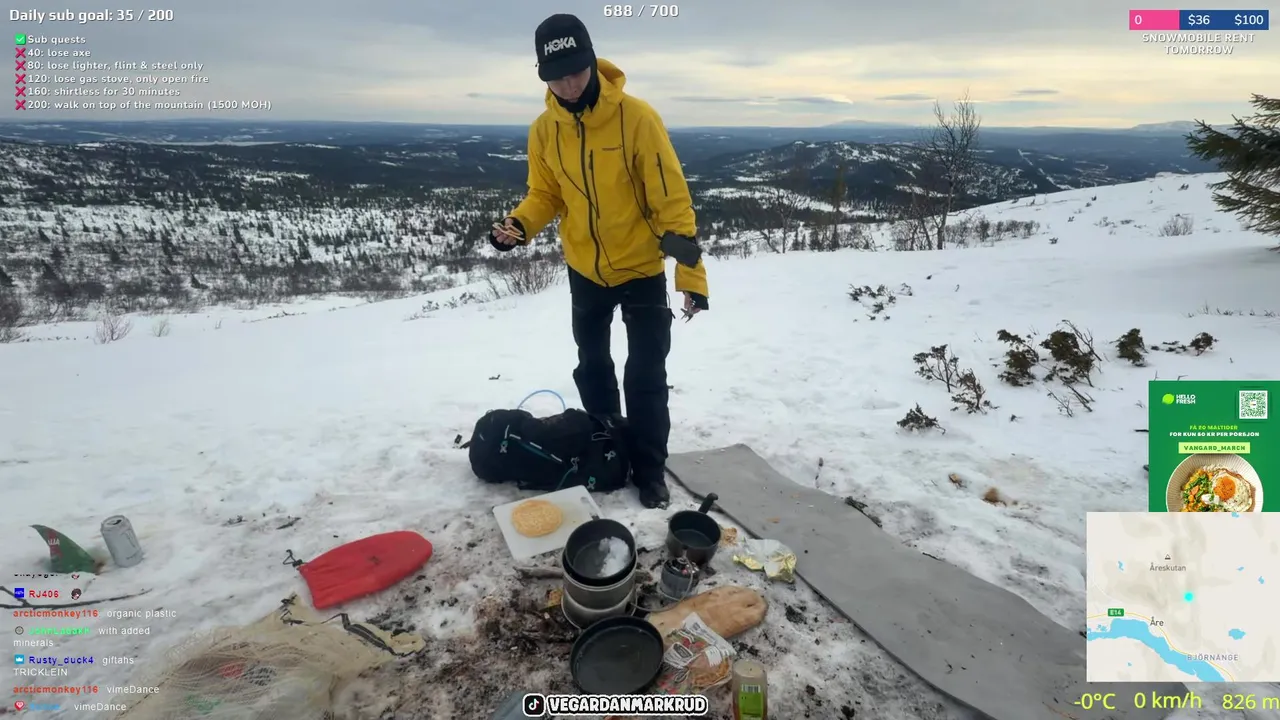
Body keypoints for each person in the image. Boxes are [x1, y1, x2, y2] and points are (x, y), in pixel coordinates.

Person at [490, 13, 709, 509]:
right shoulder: (543, 130)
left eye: (576, 71)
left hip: (640, 268)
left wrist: (690, 275)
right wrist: (519, 224)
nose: (568, 85)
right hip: (585, 270)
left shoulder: (637, 119)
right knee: (592, 367)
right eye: (556, 76)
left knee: (645, 374)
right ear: (543, 76)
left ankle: (649, 469)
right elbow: (545, 194)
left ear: (592, 61)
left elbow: (672, 203)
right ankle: (609, 446)